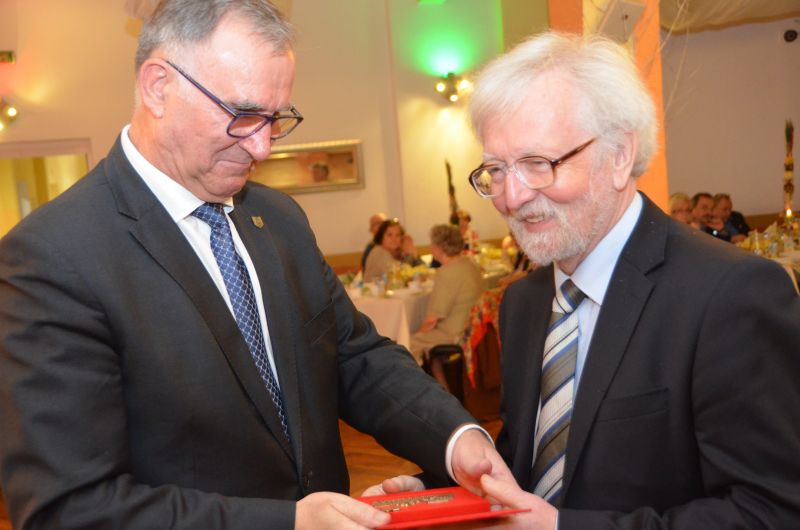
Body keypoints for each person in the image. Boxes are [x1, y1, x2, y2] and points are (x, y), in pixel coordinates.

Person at [0, 2, 513, 529]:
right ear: (157, 87)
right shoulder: (53, 256)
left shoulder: (279, 217)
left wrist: (457, 438)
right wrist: (288, 523)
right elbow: (70, 508)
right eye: (243, 114)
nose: (262, 147)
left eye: (275, 119)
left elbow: (354, 357)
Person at [376, 31, 800, 529]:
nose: (512, 197)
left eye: (538, 164)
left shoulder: (730, 295)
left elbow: (771, 511)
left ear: (619, 156)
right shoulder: (524, 302)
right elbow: (532, 459)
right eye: (496, 169)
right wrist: (441, 493)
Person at [409, 225, 483, 383]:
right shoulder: (471, 265)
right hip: (473, 330)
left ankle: (424, 392)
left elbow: (431, 320)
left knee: (406, 345)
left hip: (456, 333)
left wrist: (415, 335)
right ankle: (443, 389)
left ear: (438, 248)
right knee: (426, 345)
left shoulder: (447, 273)